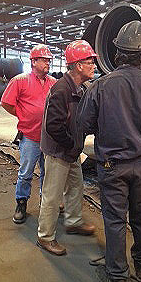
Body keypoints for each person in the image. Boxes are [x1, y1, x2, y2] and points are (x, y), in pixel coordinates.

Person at [77, 21, 141, 282]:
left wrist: (107, 126)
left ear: (117, 51)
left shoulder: (101, 86)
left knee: (115, 220)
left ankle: (118, 277)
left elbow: (84, 123)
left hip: (112, 165)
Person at [37, 40, 97, 256]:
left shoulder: (79, 88)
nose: (94, 66)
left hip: (71, 151)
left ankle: (73, 221)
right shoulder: (61, 89)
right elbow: (53, 126)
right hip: (59, 152)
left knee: (76, 186)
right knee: (52, 197)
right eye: (90, 62)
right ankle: (45, 237)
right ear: (79, 65)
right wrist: (72, 145)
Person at [0, 44, 56, 224]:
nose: (48, 63)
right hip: (30, 137)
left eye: (49, 60)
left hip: (48, 138)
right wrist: (22, 114)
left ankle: (46, 203)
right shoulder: (20, 80)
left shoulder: (53, 82)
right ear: (34, 61)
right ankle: (21, 202)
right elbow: (6, 102)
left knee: (47, 173)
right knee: (26, 173)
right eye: (44, 60)